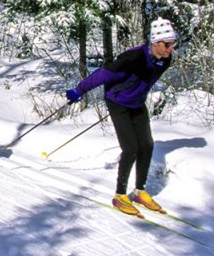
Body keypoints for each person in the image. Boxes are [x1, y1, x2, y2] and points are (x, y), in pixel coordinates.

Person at [64, 18, 178, 215]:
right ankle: (119, 195)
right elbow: (101, 75)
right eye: (167, 44)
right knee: (131, 148)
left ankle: (139, 191)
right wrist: (78, 90)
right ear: (155, 42)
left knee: (147, 145)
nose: (171, 48)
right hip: (117, 102)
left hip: (137, 103)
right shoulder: (131, 58)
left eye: (174, 43)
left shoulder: (165, 60)